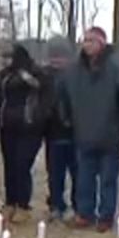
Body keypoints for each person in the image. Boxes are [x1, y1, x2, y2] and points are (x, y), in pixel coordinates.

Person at [59, 26, 119, 232]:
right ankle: (85, 214)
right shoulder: (75, 69)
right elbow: (63, 95)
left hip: (109, 134)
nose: (87, 44)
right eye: (84, 40)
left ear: (102, 43)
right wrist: (66, 118)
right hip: (83, 132)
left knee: (108, 180)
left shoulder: (116, 66)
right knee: (84, 179)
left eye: (91, 40)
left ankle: (105, 216)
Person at [0, 44, 43, 223]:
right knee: (9, 165)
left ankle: (23, 205)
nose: (5, 61)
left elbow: (41, 87)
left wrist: (26, 78)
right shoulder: (4, 75)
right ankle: (10, 201)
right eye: (4, 58)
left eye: (9, 57)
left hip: (27, 126)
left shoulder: (32, 72)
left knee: (22, 165)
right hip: (7, 126)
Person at [40, 36, 76, 221]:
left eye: (60, 56)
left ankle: (79, 207)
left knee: (78, 173)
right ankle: (56, 205)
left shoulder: (76, 75)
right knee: (55, 174)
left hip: (75, 133)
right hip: (52, 133)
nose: (56, 60)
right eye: (53, 56)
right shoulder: (44, 76)